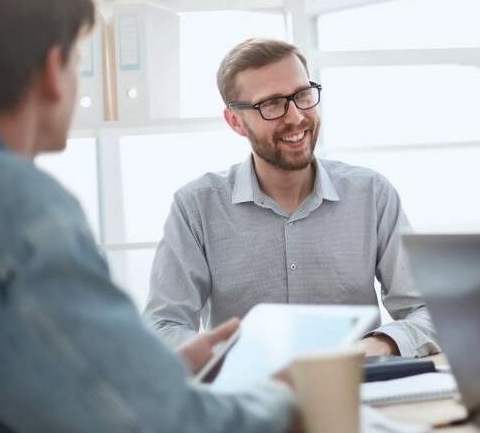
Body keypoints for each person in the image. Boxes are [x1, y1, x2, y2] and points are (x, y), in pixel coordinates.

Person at [0, 0, 299, 432]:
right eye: (79, 61)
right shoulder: (22, 208)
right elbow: (165, 424)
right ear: (54, 70)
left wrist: (162, 374)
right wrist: (283, 396)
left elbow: (34, 378)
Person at [144, 38, 439, 358]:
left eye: (302, 95)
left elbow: (427, 310)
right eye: (271, 104)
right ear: (235, 121)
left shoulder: (372, 195)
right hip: (244, 400)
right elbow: (163, 325)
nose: (296, 116)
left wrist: (374, 346)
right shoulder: (196, 208)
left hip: (358, 393)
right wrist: (234, 356)